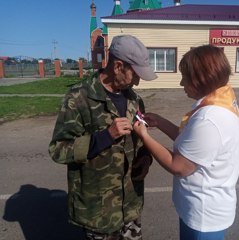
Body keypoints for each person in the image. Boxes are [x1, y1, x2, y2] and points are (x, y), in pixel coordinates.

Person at [48, 35, 157, 240]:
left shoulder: (134, 99)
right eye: (135, 74)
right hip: (99, 211)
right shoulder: (78, 98)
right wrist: (105, 136)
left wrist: (145, 157)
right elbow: (58, 149)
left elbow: (139, 141)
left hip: (130, 204)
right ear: (117, 67)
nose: (138, 80)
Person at [133, 45, 239, 240]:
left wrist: (145, 136)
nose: (181, 82)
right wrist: (160, 122)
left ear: (201, 79)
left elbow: (179, 166)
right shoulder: (221, 102)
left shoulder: (210, 118)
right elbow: (192, 146)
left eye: (185, 77)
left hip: (203, 217)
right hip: (206, 211)